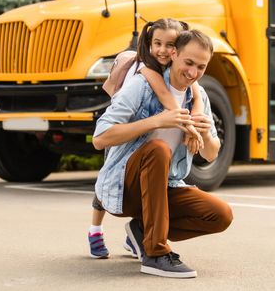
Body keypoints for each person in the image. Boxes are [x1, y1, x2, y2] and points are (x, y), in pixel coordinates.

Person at [92, 29, 233, 278]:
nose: (192, 73)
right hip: (124, 187)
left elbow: (211, 154)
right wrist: (156, 121)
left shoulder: (198, 98)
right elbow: (100, 137)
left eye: (201, 67)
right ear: (174, 53)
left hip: (166, 186)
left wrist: (206, 134)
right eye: (188, 63)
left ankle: (142, 230)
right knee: (158, 149)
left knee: (220, 215)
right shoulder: (142, 85)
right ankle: (155, 253)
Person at [88, 18, 205, 259]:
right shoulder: (145, 69)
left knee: (151, 180)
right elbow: (164, 95)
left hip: (149, 139)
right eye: (157, 43)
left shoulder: (181, 72)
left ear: (177, 49)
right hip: (124, 131)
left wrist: (196, 116)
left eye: (169, 44)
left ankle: (139, 234)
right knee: (108, 178)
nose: (162, 50)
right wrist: (187, 126)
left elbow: (195, 91)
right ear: (149, 44)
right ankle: (95, 230)